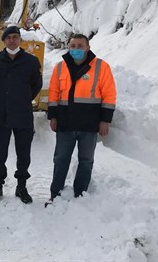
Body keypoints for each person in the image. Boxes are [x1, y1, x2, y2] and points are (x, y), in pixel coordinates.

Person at [45, 33, 116, 207]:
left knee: (86, 160)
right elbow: (53, 93)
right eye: (72, 45)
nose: (76, 49)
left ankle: (80, 194)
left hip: (89, 124)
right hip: (65, 122)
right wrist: (53, 116)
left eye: (80, 45)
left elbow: (109, 94)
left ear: (88, 47)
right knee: (61, 159)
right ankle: (56, 195)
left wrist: (105, 120)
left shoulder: (101, 67)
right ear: (68, 47)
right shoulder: (60, 67)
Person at [0, 25, 43, 204]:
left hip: (22, 115)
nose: (12, 40)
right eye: (8, 37)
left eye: (15, 37)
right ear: (3, 41)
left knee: (23, 153)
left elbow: (36, 85)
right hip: (1, 115)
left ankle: (21, 186)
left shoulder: (31, 62)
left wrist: (22, 99)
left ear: (20, 40)